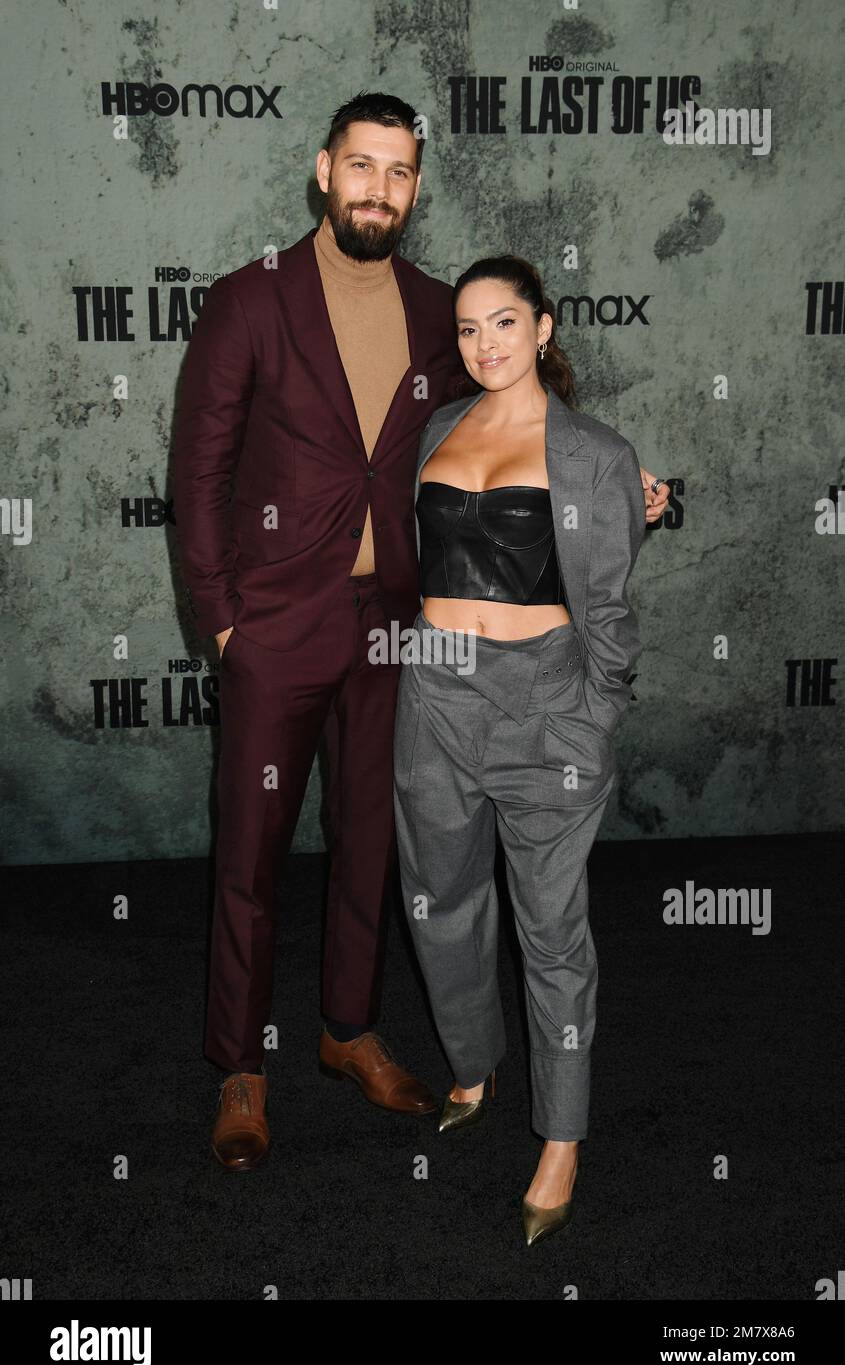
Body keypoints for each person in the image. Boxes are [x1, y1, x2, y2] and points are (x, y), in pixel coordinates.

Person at [172, 90, 670, 1173]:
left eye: (399, 173)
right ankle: (241, 1067)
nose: (378, 190)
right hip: (276, 626)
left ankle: (345, 1031)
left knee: (371, 847)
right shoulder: (245, 302)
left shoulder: (442, 310)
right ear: (322, 170)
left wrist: (620, 476)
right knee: (250, 855)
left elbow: (518, 421)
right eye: (361, 167)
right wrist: (219, 623)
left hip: (399, 633)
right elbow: (199, 474)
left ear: (414, 186)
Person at [393, 254, 655, 1245]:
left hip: (542, 705)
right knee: (441, 899)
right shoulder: (439, 428)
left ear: (543, 328)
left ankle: (561, 1134)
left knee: (551, 931)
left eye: (503, 322)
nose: (484, 344)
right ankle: (471, 1060)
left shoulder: (592, 451)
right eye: (466, 329)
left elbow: (611, 620)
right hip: (433, 699)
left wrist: (586, 725)